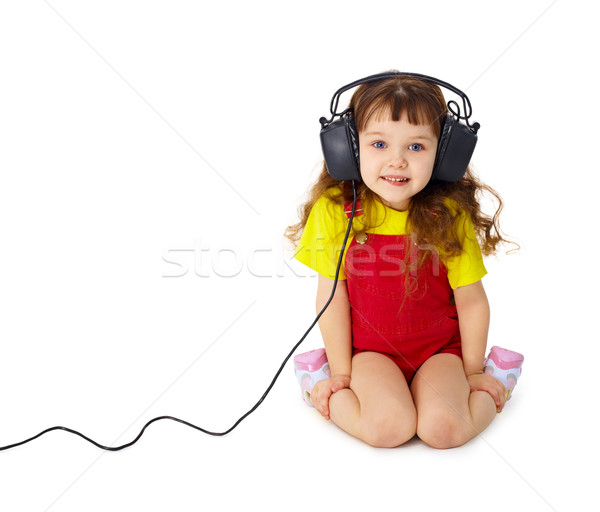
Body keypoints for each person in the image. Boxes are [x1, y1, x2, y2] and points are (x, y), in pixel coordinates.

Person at [285, 73, 522, 449]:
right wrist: (341, 374)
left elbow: (471, 300)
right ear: (348, 149)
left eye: (416, 147)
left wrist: (473, 372)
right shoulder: (335, 213)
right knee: (389, 429)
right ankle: (315, 379)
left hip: (439, 351)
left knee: (444, 432)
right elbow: (332, 299)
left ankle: (500, 377)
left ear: (444, 155)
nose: (396, 160)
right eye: (378, 143)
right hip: (370, 352)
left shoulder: (448, 214)